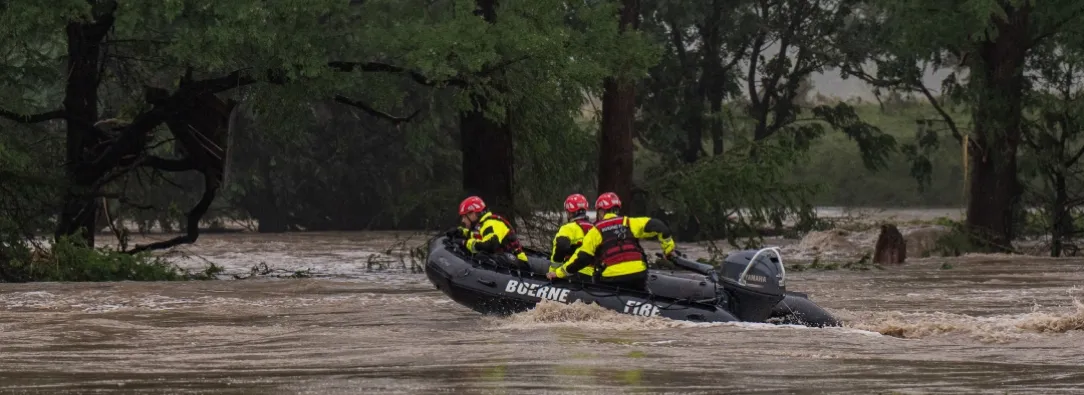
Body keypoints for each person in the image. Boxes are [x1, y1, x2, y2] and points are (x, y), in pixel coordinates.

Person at [547, 192, 676, 290]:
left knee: (598, 284)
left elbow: (582, 258)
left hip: (613, 278)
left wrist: (558, 273)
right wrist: (668, 249)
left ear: (601, 211)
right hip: (639, 274)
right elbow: (660, 226)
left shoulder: (597, 230)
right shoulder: (629, 222)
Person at [456, 195, 529, 265]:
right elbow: (476, 235)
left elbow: (490, 246)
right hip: (507, 259)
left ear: (473, 214)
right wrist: (461, 231)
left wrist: (465, 243)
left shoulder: (491, 224)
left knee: (482, 256)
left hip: (518, 264)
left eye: (464, 217)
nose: (463, 220)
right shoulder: (483, 224)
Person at [549, 194, 596, 269]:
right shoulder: (594, 228)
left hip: (572, 274)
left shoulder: (568, 228)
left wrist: (555, 270)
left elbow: (561, 246)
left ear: (569, 212)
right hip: (592, 275)